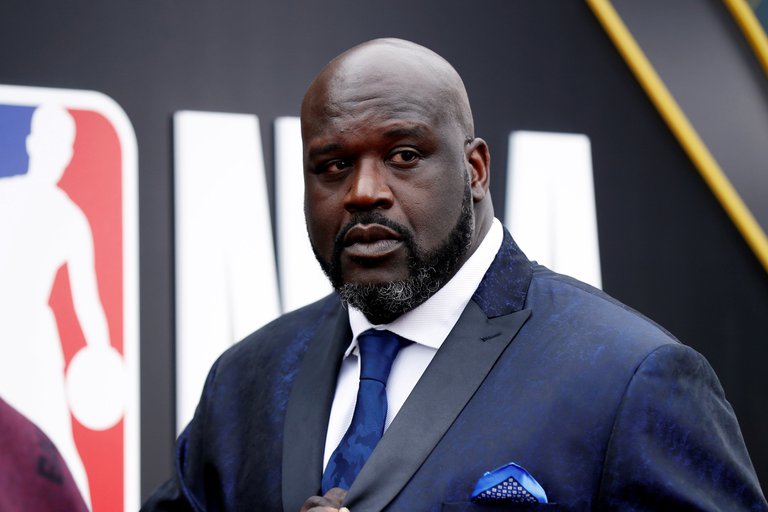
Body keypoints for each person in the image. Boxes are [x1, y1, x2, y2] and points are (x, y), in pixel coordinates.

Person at [143, 38, 767, 511]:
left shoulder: (630, 378)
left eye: (403, 155)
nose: (363, 192)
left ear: (474, 170)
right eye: (333, 165)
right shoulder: (246, 383)